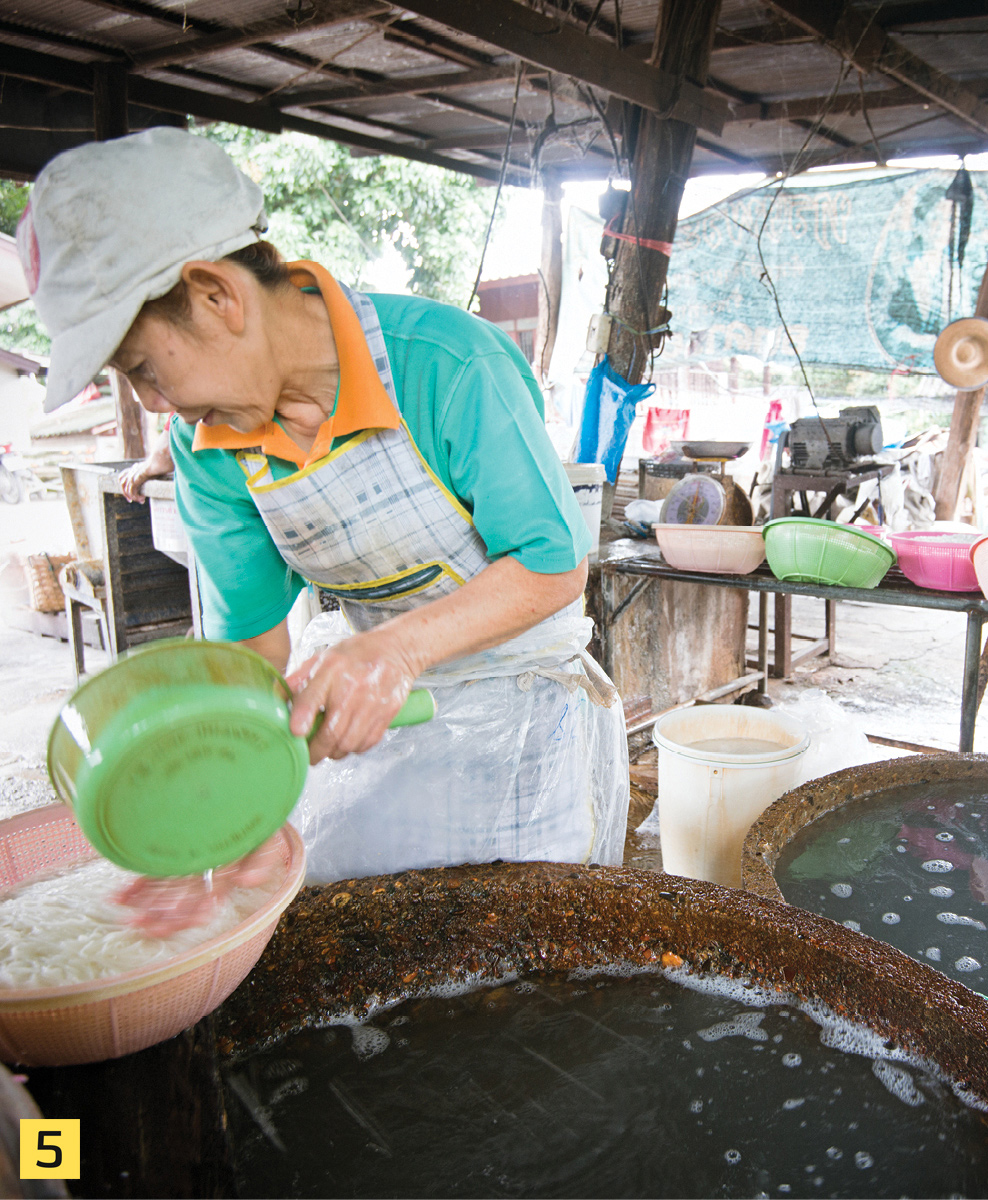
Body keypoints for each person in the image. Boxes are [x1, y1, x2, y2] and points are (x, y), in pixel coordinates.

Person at [20, 129, 628, 926]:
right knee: (372, 943)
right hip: (382, 724)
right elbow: (254, 648)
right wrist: (217, 819)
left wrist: (397, 648)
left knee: (524, 955)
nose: (152, 402)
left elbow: (551, 569)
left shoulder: (444, 366)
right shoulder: (208, 451)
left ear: (215, 296)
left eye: (140, 367)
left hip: (523, 719)